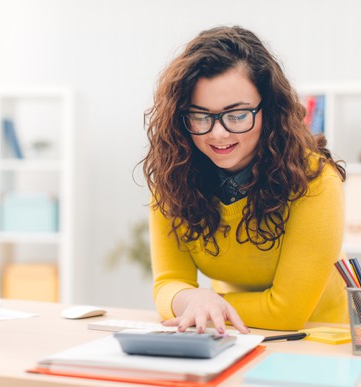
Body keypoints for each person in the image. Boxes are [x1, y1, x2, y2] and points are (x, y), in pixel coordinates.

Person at [141, 26, 347, 334]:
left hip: (319, 343)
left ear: (270, 111)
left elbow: (286, 313)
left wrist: (205, 305)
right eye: (200, 116)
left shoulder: (315, 181)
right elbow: (168, 284)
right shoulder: (175, 178)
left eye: (237, 115)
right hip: (236, 336)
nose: (218, 133)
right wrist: (194, 298)